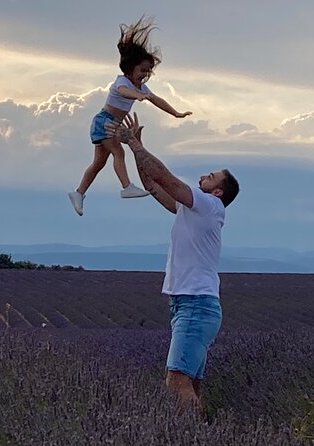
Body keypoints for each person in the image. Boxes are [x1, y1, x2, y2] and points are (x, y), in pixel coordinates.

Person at [108, 113, 240, 415]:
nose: (205, 176)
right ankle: (203, 434)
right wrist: (135, 147)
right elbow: (154, 186)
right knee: (190, 384)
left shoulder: (208, 204)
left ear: (218, 191)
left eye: (212, 176)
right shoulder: (194, 208)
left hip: (196, 303)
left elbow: (166, 178)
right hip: (191, 303)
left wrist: (136, 145)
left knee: (175, 381)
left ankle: (190, 436)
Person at [68, 16, 192, 216]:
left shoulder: (140, 87)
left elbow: (156, 99)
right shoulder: (122, 83)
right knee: (119, 153)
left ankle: (79, 193)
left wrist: (176, 113)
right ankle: (126, 187)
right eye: (142, 70)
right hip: (105, 123)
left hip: (110, 124)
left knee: (99, 163)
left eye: (148, 71)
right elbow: (126, 92)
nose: (145, 74)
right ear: (130, 67)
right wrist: (139, 95)